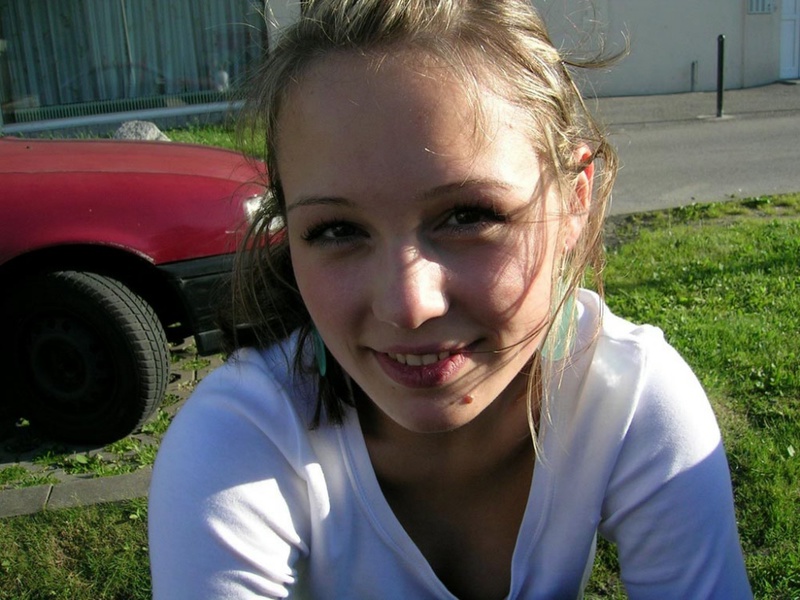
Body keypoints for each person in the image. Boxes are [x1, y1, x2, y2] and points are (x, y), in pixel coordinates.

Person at [148, 1, 752, 598]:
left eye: (469, 216)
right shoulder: (238, 437)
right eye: (336, 230)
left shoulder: (627, 395)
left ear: (574, 201)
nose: (408, 306)